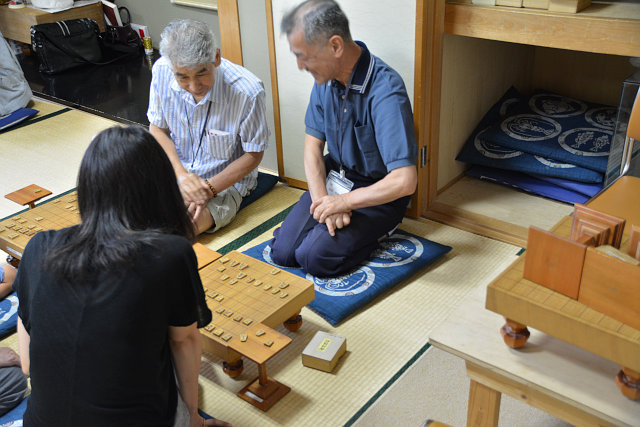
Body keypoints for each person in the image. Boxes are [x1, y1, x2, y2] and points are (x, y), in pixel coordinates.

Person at [13, 126, 231, 427]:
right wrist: (193, 418)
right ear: (160, 187)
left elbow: (26, 365)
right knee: (191, 381)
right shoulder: (169, 254)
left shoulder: (39, 247)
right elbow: (184, 343)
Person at [269, 0, 418, 277]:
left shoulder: (386, 90)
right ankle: (326, 226)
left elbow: (405, 181)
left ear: (335, 46)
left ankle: (381, 233)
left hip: (378, 193)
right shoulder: (324, 79)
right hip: (334, 177)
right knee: (284, 253)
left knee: (314, 258)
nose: (301, 66)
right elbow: (312, 148)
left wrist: (345, 203)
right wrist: (324, 202)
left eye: (305, 56)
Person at [148, 19, 269, 236]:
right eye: (182, 77)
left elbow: (254, 154)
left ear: (217, 57)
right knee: (125, 209)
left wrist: (207, 190)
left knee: (178, 229)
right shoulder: (161, 71)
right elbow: (157, 130)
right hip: (175, 172)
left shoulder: (248, 91)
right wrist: (181, 176)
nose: (194, 87)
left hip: (221, 184)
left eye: (201, 73)